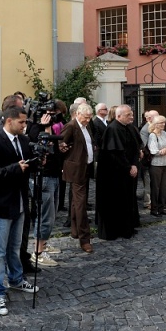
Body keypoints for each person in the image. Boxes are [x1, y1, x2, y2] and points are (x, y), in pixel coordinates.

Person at [0, 106, 39, 316]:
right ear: (9, 121)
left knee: (15, 247)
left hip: (21, 202)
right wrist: (15, 168)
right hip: (2, 204)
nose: (25, 126)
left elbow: (28, 165)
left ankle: (16, 278)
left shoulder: (23, 140)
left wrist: (38, 162)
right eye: (22, 122)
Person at [27, 101, 66, 267]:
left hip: (54, 175)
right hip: (44, 177)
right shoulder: (36, 129)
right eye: (50, 113)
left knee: (51, 214)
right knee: (44, 216)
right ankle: (37, 253)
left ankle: (43, 244)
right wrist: (45, 128)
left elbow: (52, 149)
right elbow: (43, 150)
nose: (53, 117)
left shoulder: (49, 127)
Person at [95, 104, 142, 238]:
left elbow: (135, 148)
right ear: (119, 116)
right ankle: (116, 230)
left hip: (127, 171)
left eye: (132, 114)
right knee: (116, 202)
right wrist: (129, 167)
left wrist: (134, 164)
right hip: (114, 174)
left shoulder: (129, 128)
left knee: (127, 200)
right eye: (128, 115)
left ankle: (127, 227)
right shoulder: (113, 129)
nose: (131, 117)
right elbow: (115, 153)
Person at [61, 103, 96, 252]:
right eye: (86, 117)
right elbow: (60, 143)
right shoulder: (71, 126)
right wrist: (65, 148)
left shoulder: (86, 126)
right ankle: (84, 238)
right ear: (77, 114)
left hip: (85, 167)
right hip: (76, 169)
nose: (88, 120)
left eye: (90, 118)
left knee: (77, 202)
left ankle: (75, 231)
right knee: (81, 203)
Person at [147, 115, 166, 217]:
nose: (163, 124)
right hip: (156, 165)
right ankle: (154, 209)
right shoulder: (152, 136)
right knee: (155, 187)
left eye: (164, 122)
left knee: (163, 187)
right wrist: (165, 150)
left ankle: (161, 207)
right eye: (161, 123)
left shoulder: (164, 133)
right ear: (155, 124)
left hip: (165, 163)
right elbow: (154, 151)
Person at [139, 110, 158, 209]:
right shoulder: (145, 129)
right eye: (156, 116)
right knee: (148, 182)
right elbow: (145, 146)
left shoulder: (157, 127)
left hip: (157, 160)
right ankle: (148, 202)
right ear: (150, 118)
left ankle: (155, 200)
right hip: (148, 160)